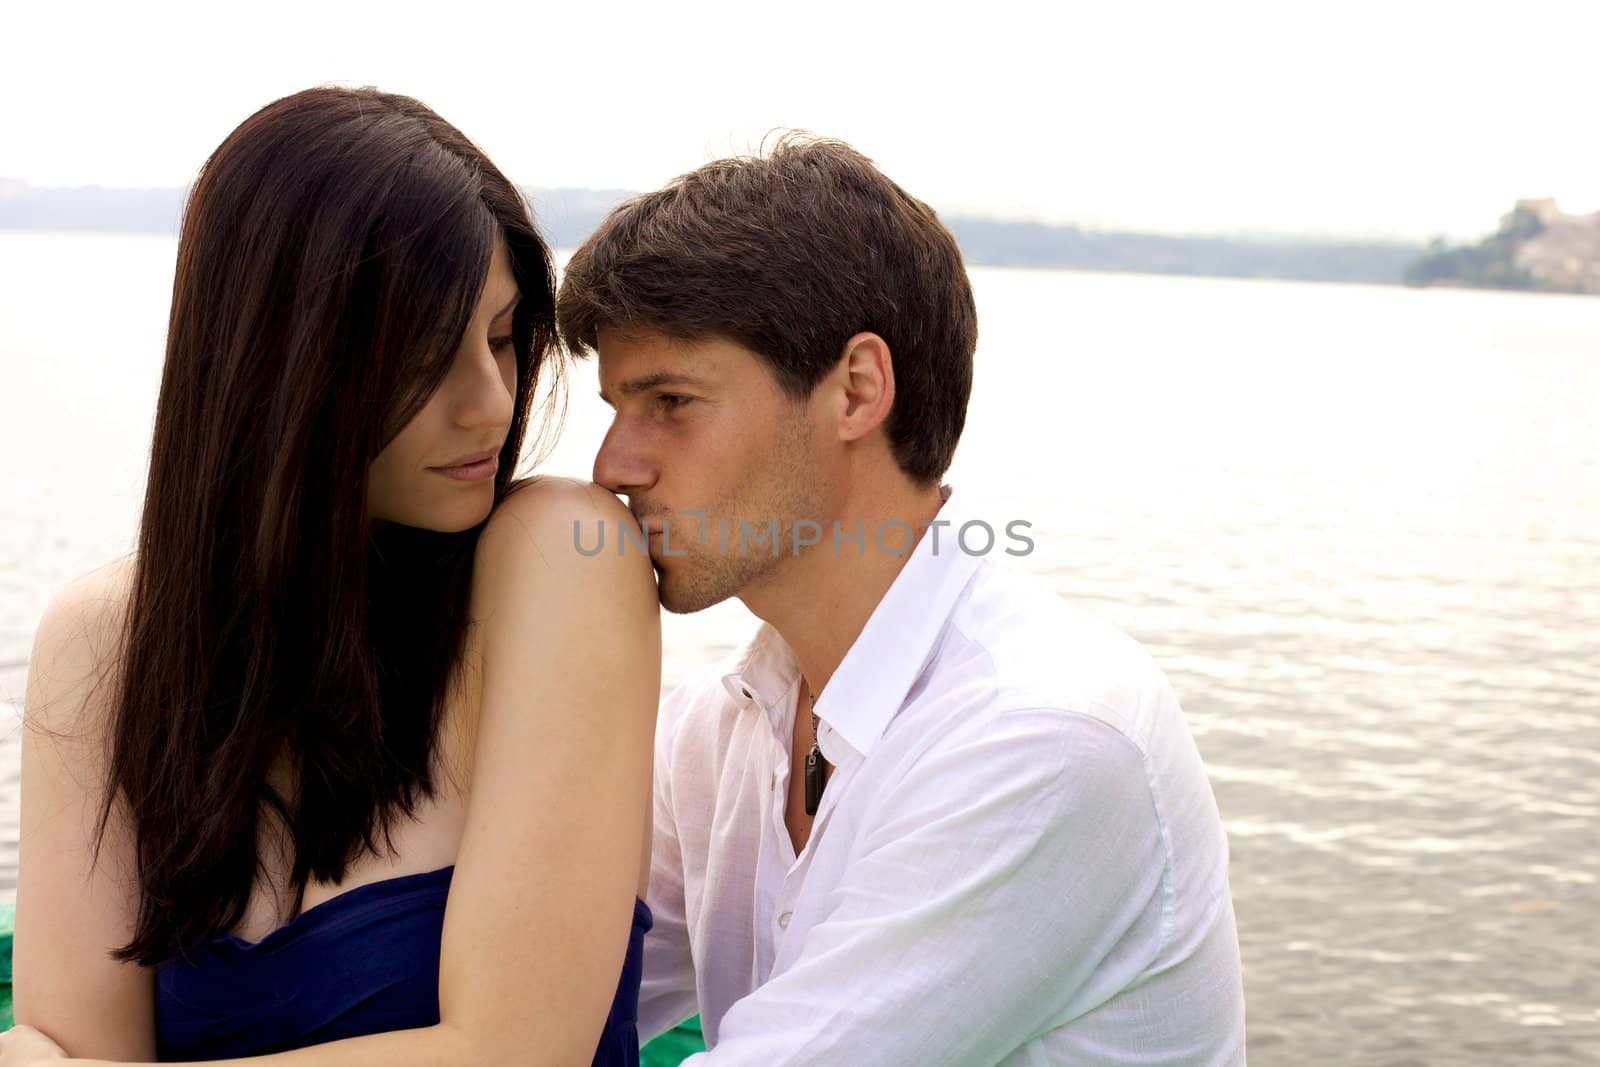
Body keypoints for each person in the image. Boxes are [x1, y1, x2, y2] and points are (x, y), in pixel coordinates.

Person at [0, 87, 661, 1065]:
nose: (489, 404)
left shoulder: (559, 555)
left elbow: (515, 1049)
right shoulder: (107, 641)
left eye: (501, 336)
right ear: (282, 362)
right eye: (427, 351)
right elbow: (67, 1033)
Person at [557, 134, 1248, 1064]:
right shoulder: (719, 732)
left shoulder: (1043, 736)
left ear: (856, 390)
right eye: (614, 410)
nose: (613, 467)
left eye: (670, 402)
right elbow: (547, 995)